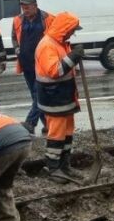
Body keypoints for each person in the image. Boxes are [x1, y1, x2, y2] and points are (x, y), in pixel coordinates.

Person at [34, 12, 84, 183]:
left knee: (67, 132)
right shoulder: (47, 45)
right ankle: (53, 167)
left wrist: (72, 56)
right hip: (53, 97)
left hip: (63, 96)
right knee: (56, 134)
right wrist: (74, 56)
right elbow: (55, 71)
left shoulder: (59, 43)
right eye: (72, 30)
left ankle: (64, 165)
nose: (73, 34)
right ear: (64, 29)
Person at [12, 0, 55, 135]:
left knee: (39, 94)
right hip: (26, 64)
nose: (25, 10)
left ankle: (30, 123)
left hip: (42, 64)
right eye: (23, 7)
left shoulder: (47, 19)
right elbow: (14, 37)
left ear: (35, 6)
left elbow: (55, 36)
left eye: (27, 7)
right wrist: (18, 50)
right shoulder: (18, 20)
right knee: (35, 95)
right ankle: (48, 125)